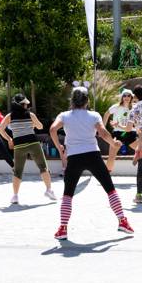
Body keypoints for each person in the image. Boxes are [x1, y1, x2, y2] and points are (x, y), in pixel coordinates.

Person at [50, 87, 133, 240]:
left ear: (72, 101)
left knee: (68, 194)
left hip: (74, 157)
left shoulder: (65, 116)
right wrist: (113, 144)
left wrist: (59, 147)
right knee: (110, 189)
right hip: (93, 155)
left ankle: (63, 229)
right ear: (87, 101)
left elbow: (52, 129)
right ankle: (122, 221)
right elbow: (103, 133)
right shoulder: (94, 115)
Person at [0, 93, 57, 204]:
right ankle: (49, 190)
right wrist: (32, 125)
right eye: (25, 104)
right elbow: (41, 127)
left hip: (19, 145)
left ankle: (15, 196)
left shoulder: (9, 116)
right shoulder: (30, 115)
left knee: (17, 172)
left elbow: (0, 129)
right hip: (33, 143)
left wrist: (9, 139)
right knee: (43, 167)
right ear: (23, 104)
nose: (26, 105)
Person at [103, 89, 142, 176]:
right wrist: (104, 128)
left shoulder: (135, 108)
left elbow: (138, 121)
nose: (126, 97)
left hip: (130, 133)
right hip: (117, 134)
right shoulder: (116, 107)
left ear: (132, 97)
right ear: (122, 97)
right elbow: (106, 114)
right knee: (112, 156)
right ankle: (106, 176)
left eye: (128, 95)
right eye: (124, 95)